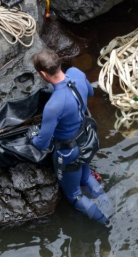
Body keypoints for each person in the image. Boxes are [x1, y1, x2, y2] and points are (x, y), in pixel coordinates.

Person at [27, 49, 110, 226]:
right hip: (86, 139)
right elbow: (90, 93)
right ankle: (109, 205)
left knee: (74, 195)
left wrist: (32, 136)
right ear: (59, 63)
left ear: (42, 74)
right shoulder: (76, 74)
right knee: (86, 177)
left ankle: (106, 222)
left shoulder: (53, 106)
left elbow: (42, 144)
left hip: (68, 152)